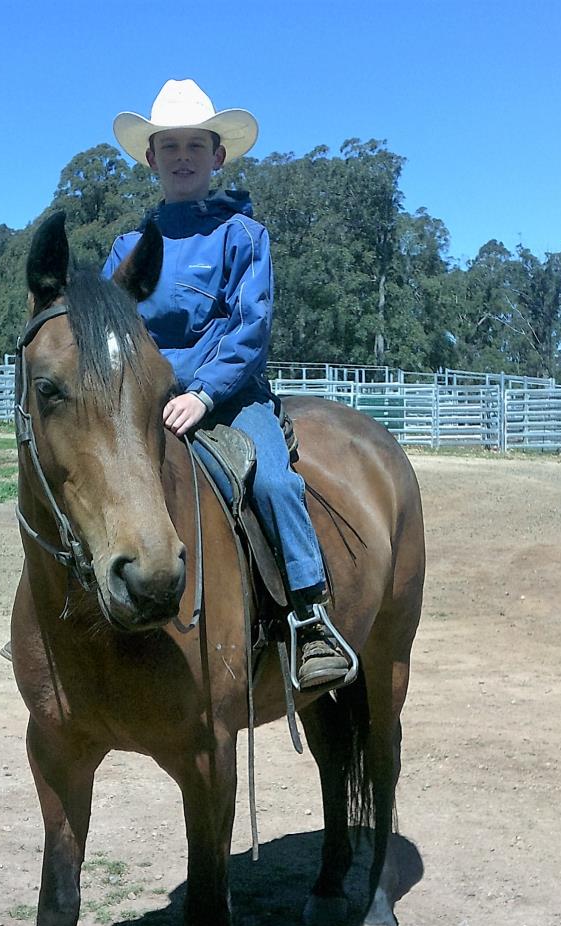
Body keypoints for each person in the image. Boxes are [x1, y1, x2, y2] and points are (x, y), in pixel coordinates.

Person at [105, 79, 352, 688]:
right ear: (151, 158)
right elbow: (108, 331)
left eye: (196, 145)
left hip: (230, 400)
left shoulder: (242, 236)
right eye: (170, 146)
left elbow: (249, 330)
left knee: (273, 481)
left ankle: (309, 617)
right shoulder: (127, 249)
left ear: (217, 157)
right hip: (147, 403)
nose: (183, 157)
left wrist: (202, 394)